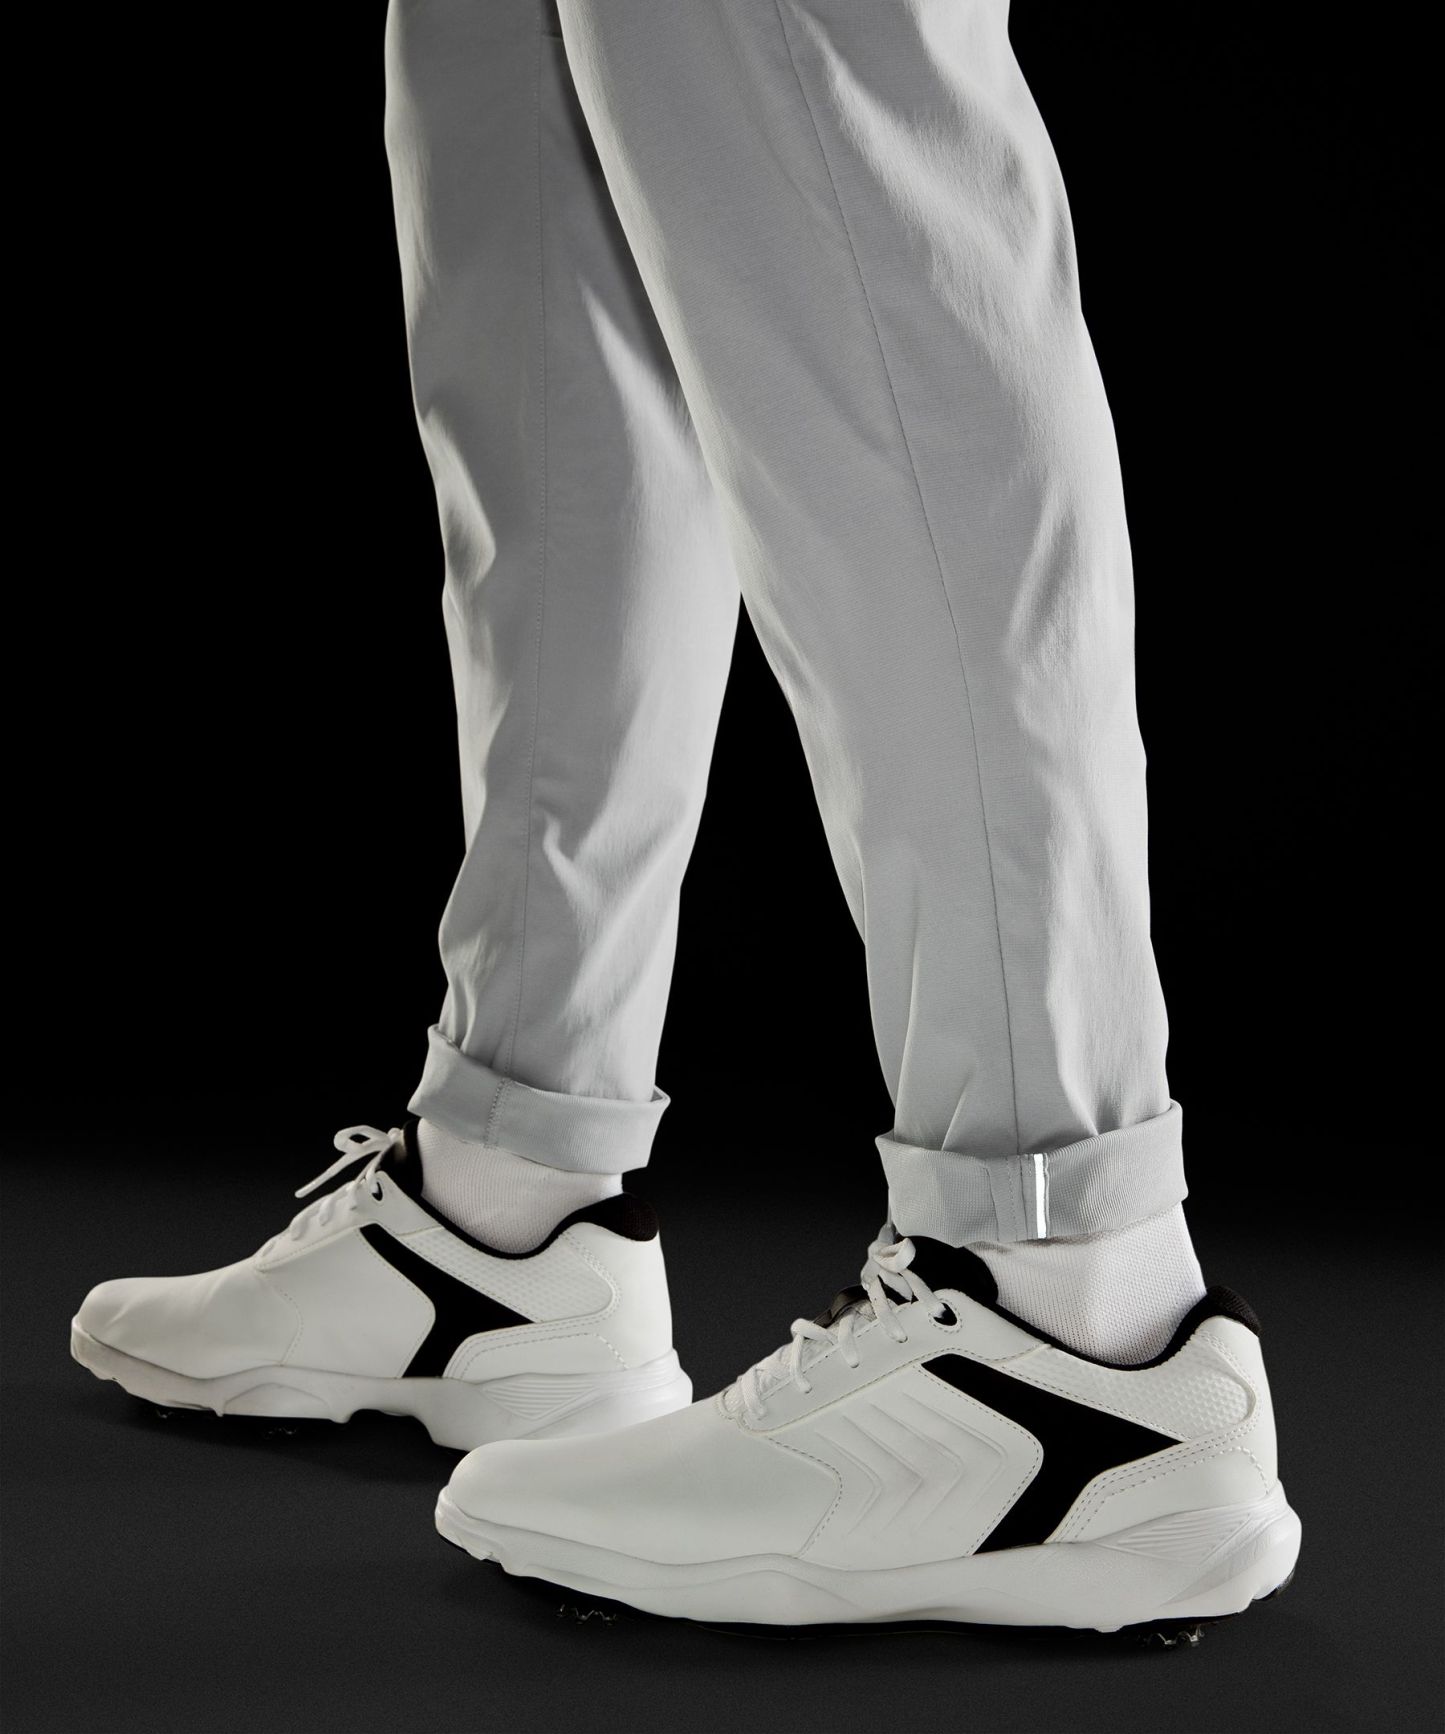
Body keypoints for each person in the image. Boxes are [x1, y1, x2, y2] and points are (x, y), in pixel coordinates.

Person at [70, 0, 1300, 1632]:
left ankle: (1067, 1306)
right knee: (523, 134)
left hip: (1071, 1312)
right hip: (503, 1210)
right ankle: (508, 1206)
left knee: (840, 128)